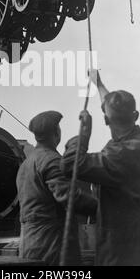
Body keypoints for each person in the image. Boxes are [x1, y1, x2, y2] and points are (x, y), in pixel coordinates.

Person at [61, 71, 140, 266]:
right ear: (136, 115)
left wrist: (83, 135)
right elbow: (111, 105)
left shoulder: (118, 155)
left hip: (122, 245)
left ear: (106, 120)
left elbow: (70, 165)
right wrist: (99, 84)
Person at [16, 110, 97, 266]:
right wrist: (102, 209)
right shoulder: (51, 160)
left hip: (29, 242)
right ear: (56, 133)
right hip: (51, 245)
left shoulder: (26, 164)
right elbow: (69, 197)